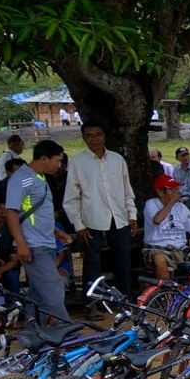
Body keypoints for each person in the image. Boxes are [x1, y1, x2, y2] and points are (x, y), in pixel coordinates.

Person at [66, 120, 138, 298]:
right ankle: (91, 303)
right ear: (84, 138)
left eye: (98, 134)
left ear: (104, 136)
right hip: (92, 221)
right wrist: (79, 225)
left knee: (123, 261)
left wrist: (132, 214)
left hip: (119, 218)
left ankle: (125, 300)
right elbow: (72, 197)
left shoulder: (117, 159)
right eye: (89, 135)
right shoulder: (77, 162)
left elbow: (127, 189)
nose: (95, 139)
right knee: (92, 264)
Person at [6, 140, 69, 322]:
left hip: (44, 242)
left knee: (39, 295)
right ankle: (67, 332)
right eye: (57, 161)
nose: (59, 165)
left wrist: (57, 232)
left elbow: (37, 212)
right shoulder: (23, 178)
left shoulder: (39, 177)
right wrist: (21, 244)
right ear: (44, 158)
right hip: (34, 245)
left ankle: (35, 334)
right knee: (53, 288)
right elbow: (11, 211)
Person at [142, 175, 190, 278]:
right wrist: (171, 202)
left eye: (176, 188)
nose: (176, 192)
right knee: (159, 259)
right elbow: (157, 220)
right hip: (157, 249)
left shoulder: (181, 206)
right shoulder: (151, 203)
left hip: (180, 248)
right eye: (171, 189)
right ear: (160, 192)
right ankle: (168, 293)